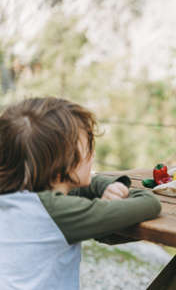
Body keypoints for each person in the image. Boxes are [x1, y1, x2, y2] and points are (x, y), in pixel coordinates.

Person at [0, 97, 161, 290]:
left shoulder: (14, 198)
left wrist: (105, 186)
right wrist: (109, 187)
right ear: (62, 164)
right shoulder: (58, 212)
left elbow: (73, 190)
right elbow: (150, 203)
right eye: (88, 149)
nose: (93, 156)